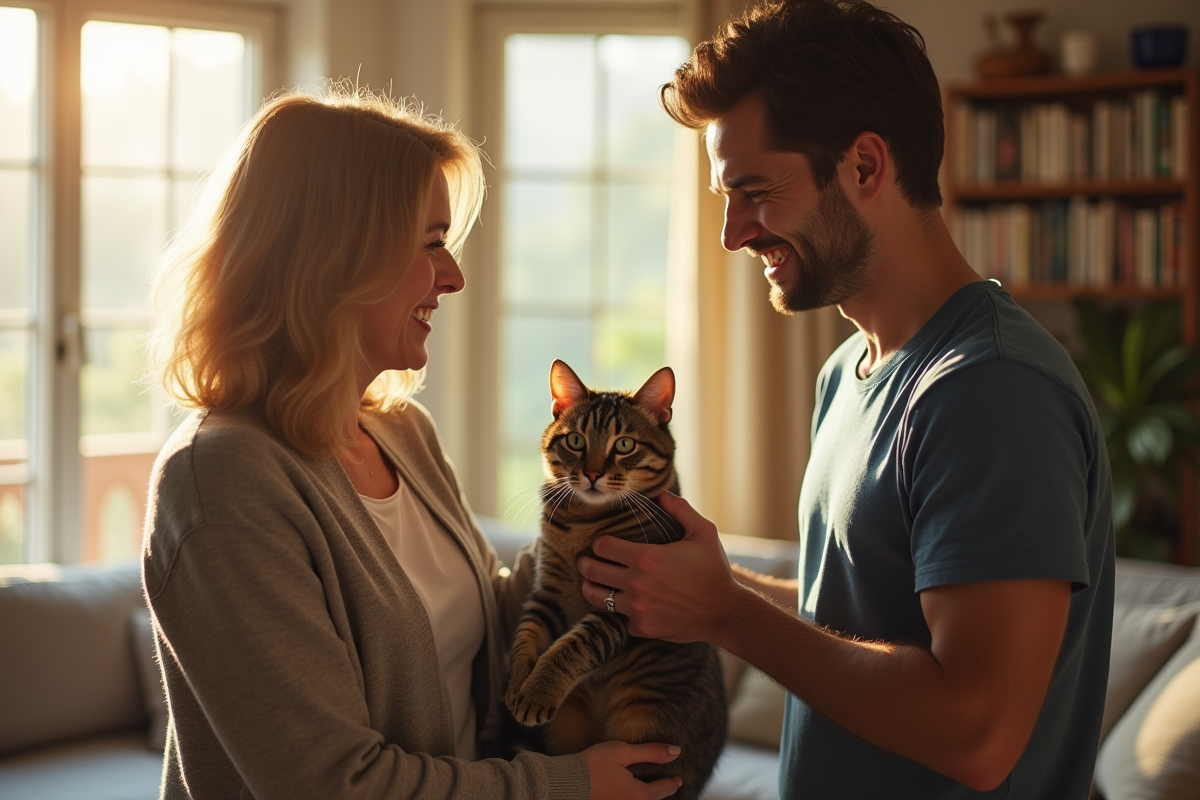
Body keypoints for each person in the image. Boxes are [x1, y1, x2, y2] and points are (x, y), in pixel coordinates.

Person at [576, 1, 1115, 797]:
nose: (733, 234)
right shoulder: (848, 373)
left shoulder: (990, 391)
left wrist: (728, 615)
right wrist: (709, 587)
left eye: (754, 190)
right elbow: (871, 612)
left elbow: (978, 732)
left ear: (865, 166)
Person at [144, 88, 684, 800]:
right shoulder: (220, 480)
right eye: (432, 244)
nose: (454, 277)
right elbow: (332, 784)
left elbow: (474, 625)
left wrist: (621, 548)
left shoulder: (402, 434)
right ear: (334, 255)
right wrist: (571, 783)